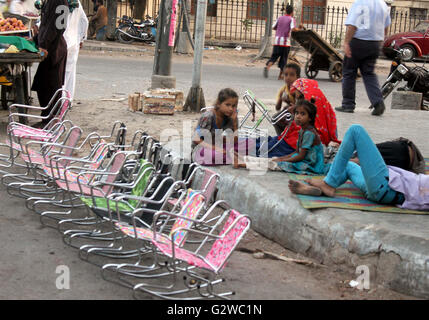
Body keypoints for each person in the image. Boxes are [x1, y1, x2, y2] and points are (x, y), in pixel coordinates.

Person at [289, 124, 429, 211]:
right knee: (349, 165)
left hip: (385, 186)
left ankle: (328, 184)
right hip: (377, 190)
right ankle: (326, 184)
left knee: (356, 130)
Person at [335, 0, 391, 116]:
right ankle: (378, 102)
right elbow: (386, 27)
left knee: (349, 72)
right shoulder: (383, 5)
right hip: (374, 43)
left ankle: (348, 104)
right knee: (369, 74)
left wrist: (346, 43)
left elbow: (352, 26)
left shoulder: (360, 3)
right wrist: (381, 41)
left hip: (358, 42)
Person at [192, 88, 252, 167]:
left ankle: (231, 157)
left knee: (250, 142)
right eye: (227, 105)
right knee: (214, 156)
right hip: (202, 148)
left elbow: (234, 140)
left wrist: (234, 124)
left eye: (233, 106)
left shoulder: (230, 116)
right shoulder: (208, 116)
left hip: (218, 145)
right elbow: (196, 139)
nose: (231, 109)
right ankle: (234, 158)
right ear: (219, 104)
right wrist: (215, 148)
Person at [31, 0, 69, 124]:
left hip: (53, 49)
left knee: (50, 86)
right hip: (52, 47)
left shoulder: (58, 1)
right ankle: (47, 118)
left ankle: (50, 121)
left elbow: (56, 27)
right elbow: (45, 25)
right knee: (43, 84)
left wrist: (44, 45)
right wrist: (35, 39)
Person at [271, 99, 326, 175]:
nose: (298, 116)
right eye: (296, 113)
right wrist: (282, 158)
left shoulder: (309, 133)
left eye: (302, 114)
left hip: (312, 164)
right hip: (304, 158)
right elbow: (296, 152)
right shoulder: (302, 130)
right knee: (277, 160)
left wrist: (283, 161)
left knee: (283, 165)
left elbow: (301, 156)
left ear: (310, 118)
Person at [263, 4, 300, 80]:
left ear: (285, 11)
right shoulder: (291, 19)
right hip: (285, 42)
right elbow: (293, 29)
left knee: (274, 57)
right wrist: (299, 28)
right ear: (292, 12)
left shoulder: (279, 18)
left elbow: (273, 27)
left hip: (277, 41)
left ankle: (268, 67)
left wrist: (280, 28)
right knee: (283, 59)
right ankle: (280, 76)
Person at [63, 0, 88, 100]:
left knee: (61, 74)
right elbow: (84, 21)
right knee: (70, 72)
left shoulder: (63, 2)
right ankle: (68, 100)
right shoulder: (77, 3)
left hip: (63, 40)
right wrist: (82, 38)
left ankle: (61, 99)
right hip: (74, 41)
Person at [272, 63, 301, 135]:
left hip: (299, 113)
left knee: (275, 119)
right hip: (291, 111)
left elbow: (301, 106)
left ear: (298, 77)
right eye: (286, 75)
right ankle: (281, 137)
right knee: (275, 119)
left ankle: (283, 138)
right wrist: (281, 99)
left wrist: (292, 105)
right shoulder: (283, 89)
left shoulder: (298, 89)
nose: (288, 77)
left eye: (292, 75)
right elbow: (277, 108)